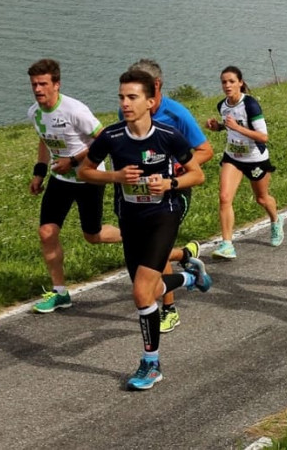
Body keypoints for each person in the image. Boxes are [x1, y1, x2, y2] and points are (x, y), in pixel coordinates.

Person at [78, 69, 212, 391]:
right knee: (148, 292)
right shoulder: (111, 137)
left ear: (150, 101)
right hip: (130, 219)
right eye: (122, 97)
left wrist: (170, 183)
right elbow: (84, 172)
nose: (125, 103)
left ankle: (151, 364)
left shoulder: (167, 135)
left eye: (132, 97)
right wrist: (116, 177)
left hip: (163, 215)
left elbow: (198, 175)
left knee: (141, 292)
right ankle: (190, 277)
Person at [26, 59, 123, 314]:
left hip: (89, 178)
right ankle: (60, 293)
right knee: (47, 233)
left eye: (43, 84)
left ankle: (135, 236)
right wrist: (39, 173)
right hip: (61, 181)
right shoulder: (34, 112)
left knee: (93, 235)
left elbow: (106, 140)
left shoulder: (75, 111)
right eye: (34, 84)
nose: (38, 89)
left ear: (56, 84)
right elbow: (44, 141)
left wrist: (73, 160)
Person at [127, 59, 212, 334]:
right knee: (146, 249)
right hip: (140, 195)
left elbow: (205, 150)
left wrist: (174, 169)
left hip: (175, 191)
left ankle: (170, 310)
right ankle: (187, 258)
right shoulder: (126, 113)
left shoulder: (176, 114)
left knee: (154, 249)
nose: (130, 100)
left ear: (156, 86)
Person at [204, 66, 281, 261]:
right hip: (233, 157)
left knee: (262, 199)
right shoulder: (222, 105)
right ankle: (227, 245)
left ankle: (275, 220)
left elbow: (263, 137)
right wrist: (218, 127)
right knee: (224, 197)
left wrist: (236, 127)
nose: (227, 85)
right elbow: (229, 126)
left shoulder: (251, 105)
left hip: (255, 158)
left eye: (231, 81)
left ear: (240, 82)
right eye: (224, 82)